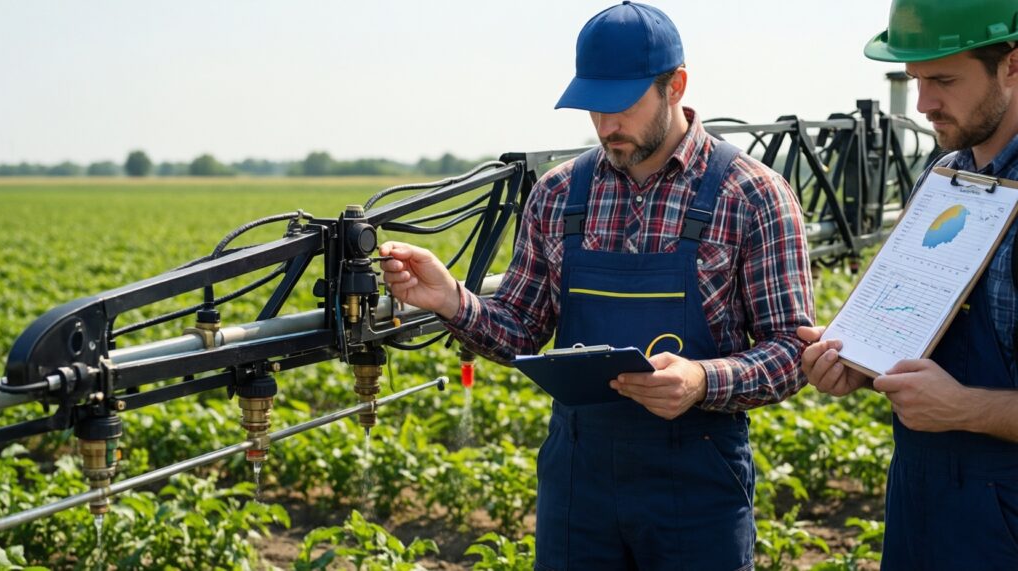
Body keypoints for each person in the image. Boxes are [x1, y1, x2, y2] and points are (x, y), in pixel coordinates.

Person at [381, 2, 813, 569]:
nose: (607, 124)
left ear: (675, 86)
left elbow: (793, 350)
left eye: (624, 104)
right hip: (578, 478)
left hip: (697, 478)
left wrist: (704, 380)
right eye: (593, 105)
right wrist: (451, 300)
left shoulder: (751, 194)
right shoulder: (560, 194)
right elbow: (519, 328)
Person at [798, 1, 1018, 568]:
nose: (923, 105)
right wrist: (860, 357)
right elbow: (916, 325)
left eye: (943, 79)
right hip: (922, 509)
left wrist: (968, 408)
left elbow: (962, 400)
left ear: (1012, 64)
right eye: (915, 80)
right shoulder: (941, 177)